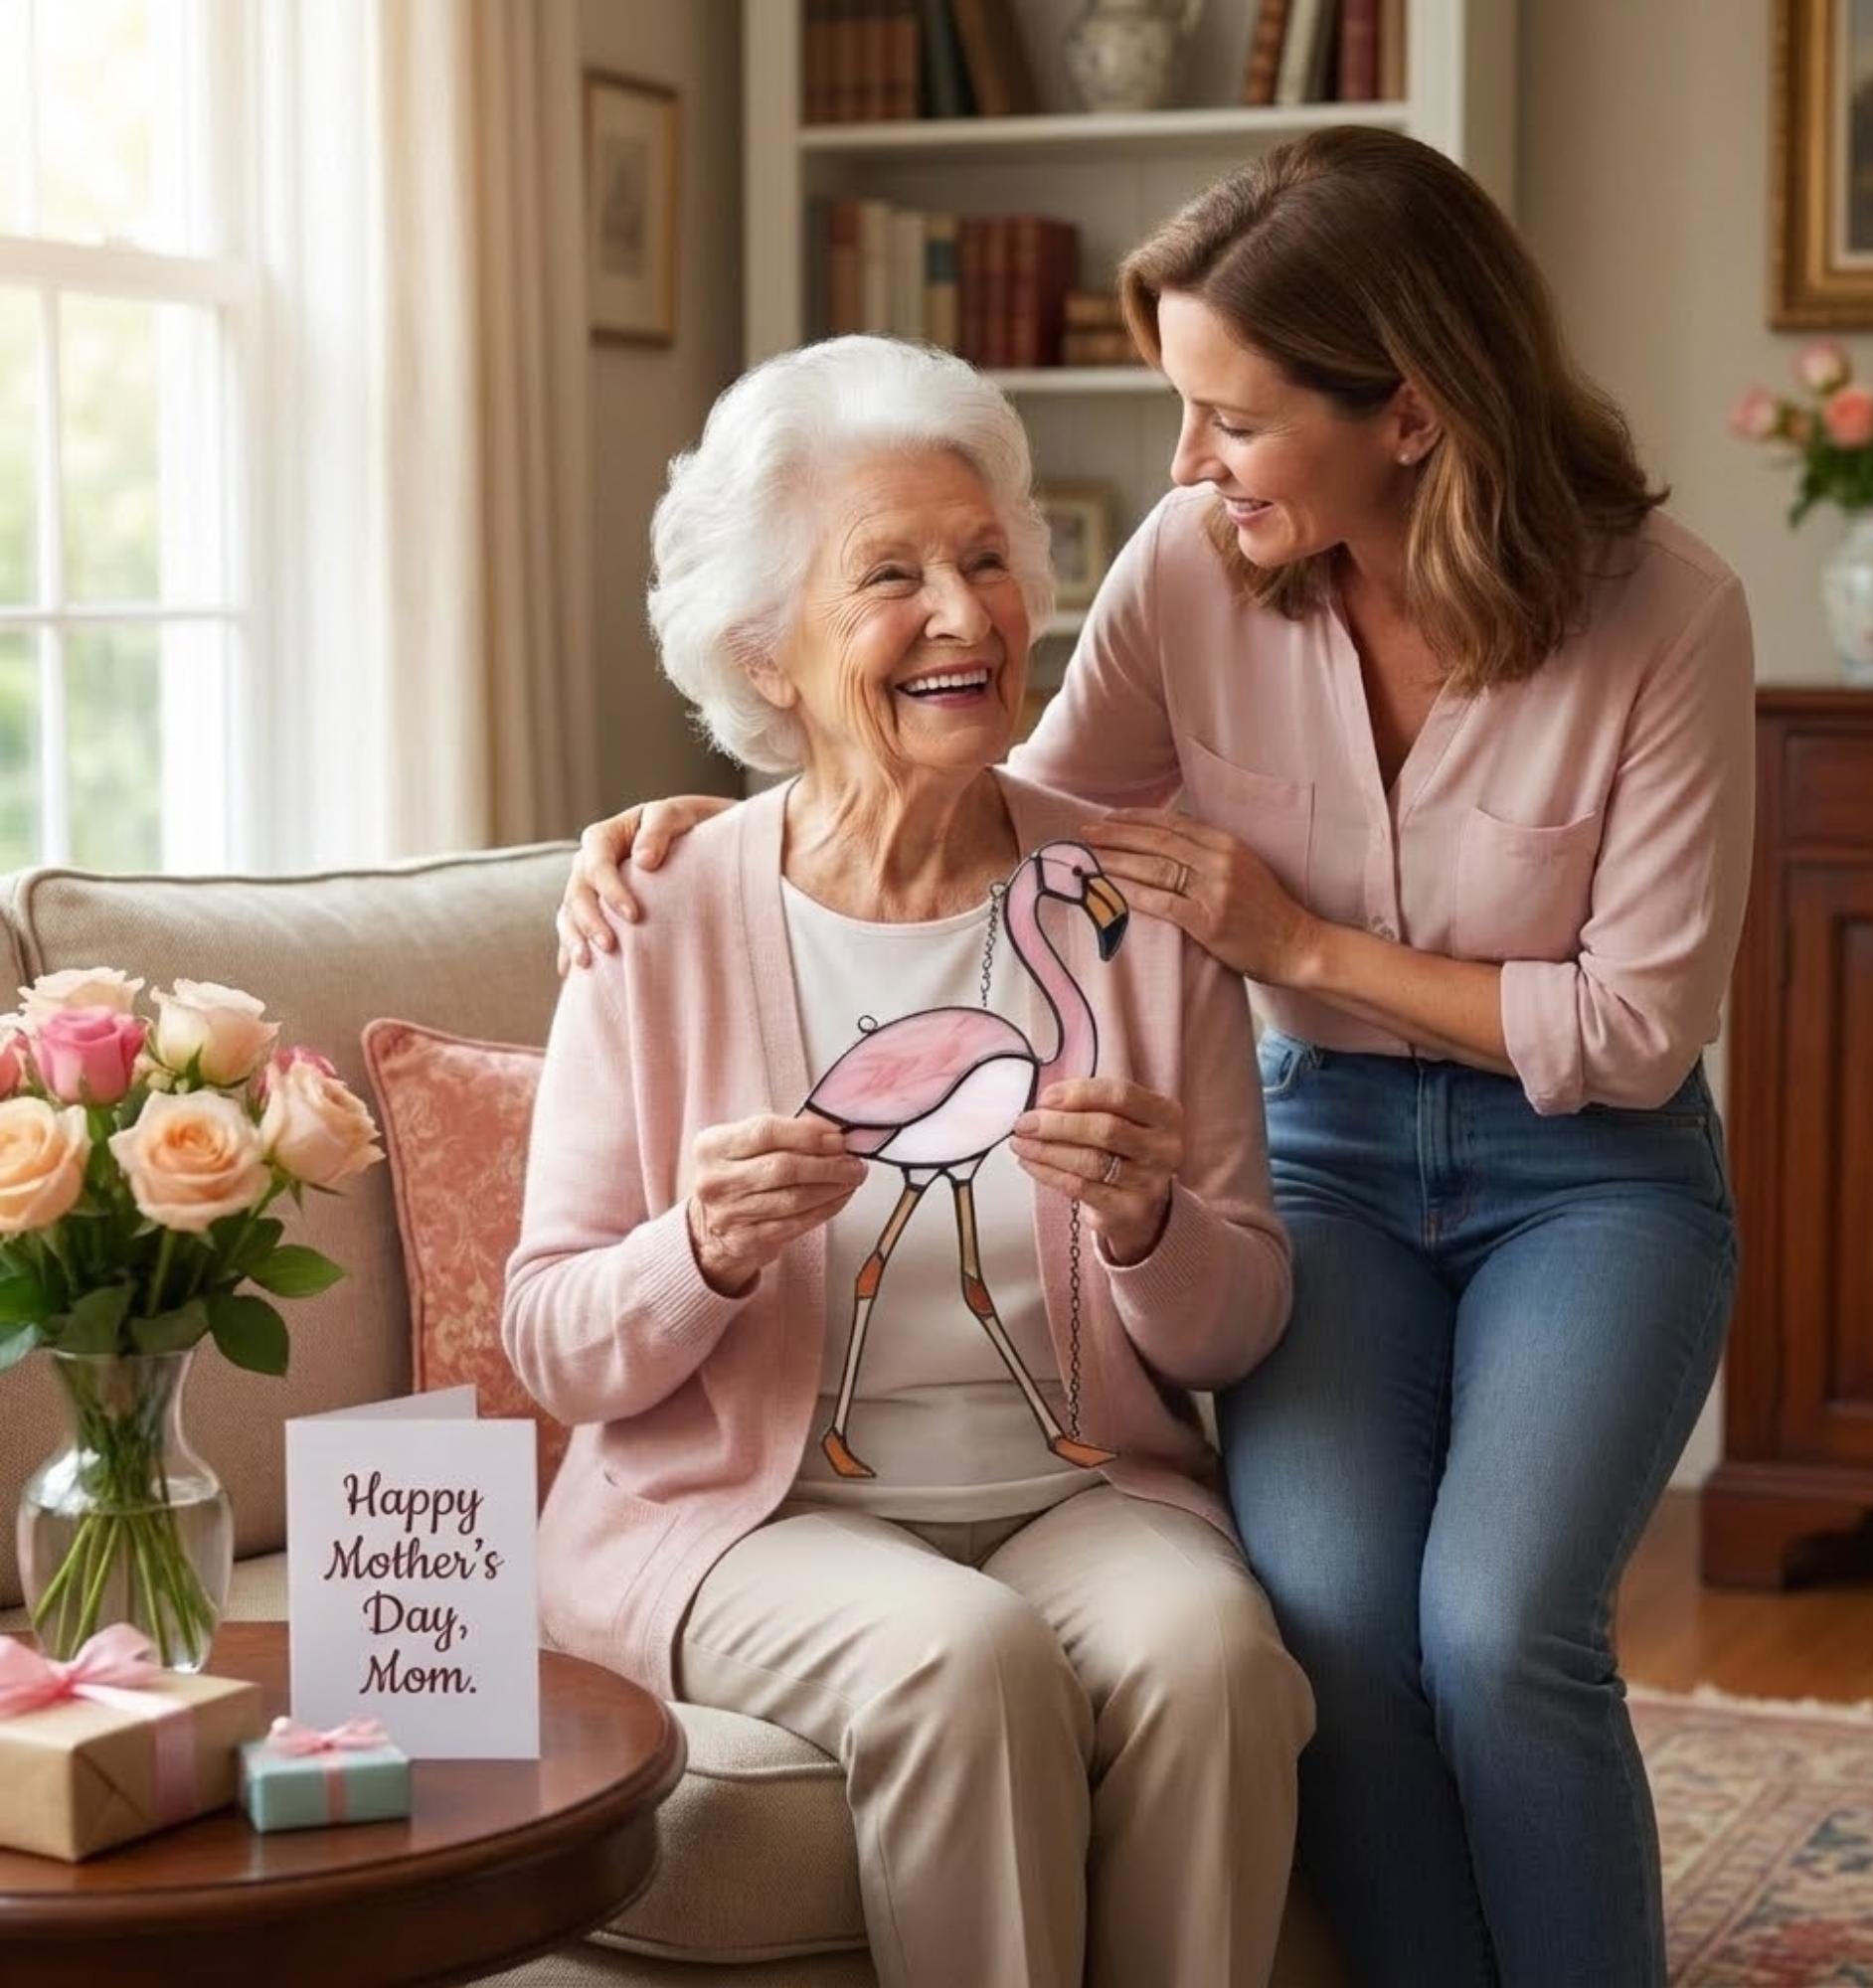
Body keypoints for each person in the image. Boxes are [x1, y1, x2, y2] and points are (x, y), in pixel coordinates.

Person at [556, 126, 1756, 1988]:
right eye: (1179, 410)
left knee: (1502, 1624)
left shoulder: (1665, 611)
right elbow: (1001, 789)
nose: (1186, 466)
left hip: (1582, 1166)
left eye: (1233, 417)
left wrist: (1290, 952)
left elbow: (1626, 1025)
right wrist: (724, 817)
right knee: (1337, 1617)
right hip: (1334, 1144)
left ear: (1414, 414)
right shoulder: (1201, 568)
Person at [503, 334, 1314, 1988]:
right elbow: (552, 1335)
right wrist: (700, 1251)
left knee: (1214, 1652)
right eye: (892, 577)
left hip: (1083, 1487)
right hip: (745, 1519)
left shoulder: (1131, 912)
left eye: (987, 560)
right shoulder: (655, 913)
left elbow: (1237, 1329)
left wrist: (1155, 1221)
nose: (966, 613)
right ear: (770, 656)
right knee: (965, 1660)